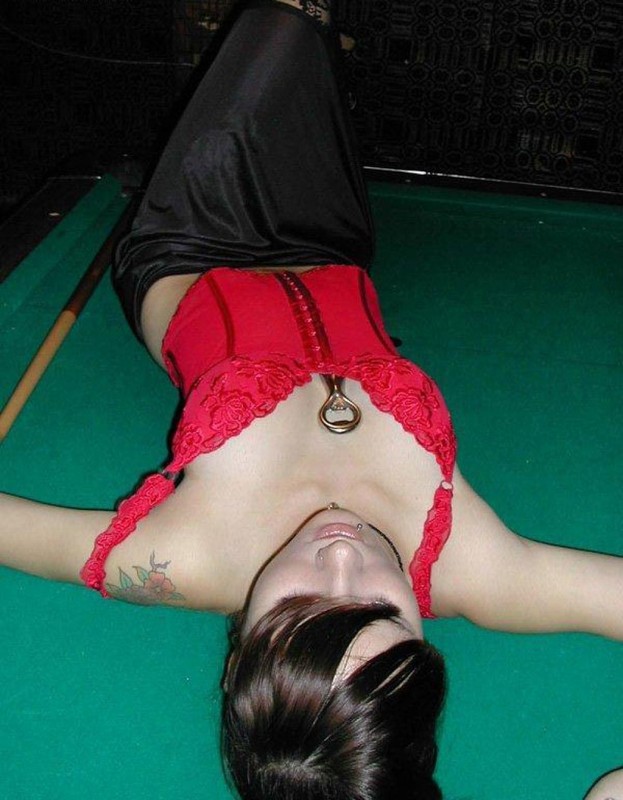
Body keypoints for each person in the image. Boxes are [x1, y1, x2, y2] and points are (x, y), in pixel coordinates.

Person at [1, 0, 621, 797]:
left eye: (298, 605)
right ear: (423, 645)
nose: (340, 557)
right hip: (334, 243)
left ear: (240, 650)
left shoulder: (184, 561)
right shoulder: (477, 567)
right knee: (314, 58)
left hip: (194, 244)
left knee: (280, 24)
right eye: (381, 611)